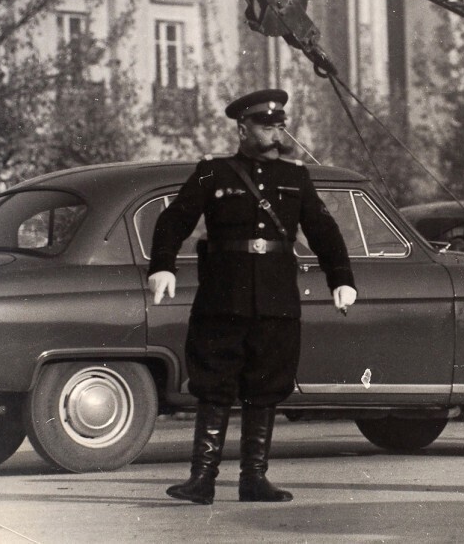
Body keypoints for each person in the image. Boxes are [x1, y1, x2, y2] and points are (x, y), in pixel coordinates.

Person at [147, 89, 357, 504]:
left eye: (280, 124)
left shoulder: (296, 177)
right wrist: (162, 266)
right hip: (222, 299)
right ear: (243, 129)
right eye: (266, 124)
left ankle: (254, 479)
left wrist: (341, 278)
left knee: (266, 386)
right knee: (214, 384)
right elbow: (175, 219)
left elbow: (323, 230)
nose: (276, 130)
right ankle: (201, 479)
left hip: (276, 301)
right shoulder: (213, 172)